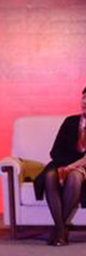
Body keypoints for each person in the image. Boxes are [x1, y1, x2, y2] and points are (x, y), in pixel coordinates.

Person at [34, 87, 86, 246]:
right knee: (50, 176)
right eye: (84, 98)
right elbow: (55, 151)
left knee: (75, 177)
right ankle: (61, 230)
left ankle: (58, 230)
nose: (85, 102)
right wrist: (66, 166)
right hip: (61, 163)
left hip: (83, 167)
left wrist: (74, 167)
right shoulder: (70, 122)